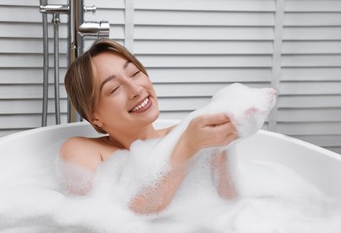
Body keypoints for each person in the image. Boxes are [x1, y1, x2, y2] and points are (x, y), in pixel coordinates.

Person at [61, 38, 238, 214]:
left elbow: (230, 208)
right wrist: (187, 147)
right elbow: (107, 220)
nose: (136, 90)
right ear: (95, 118)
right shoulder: (82, 149)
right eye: (114, 89)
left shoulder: (191, 134)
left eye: (134, 73)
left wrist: (222, 147)